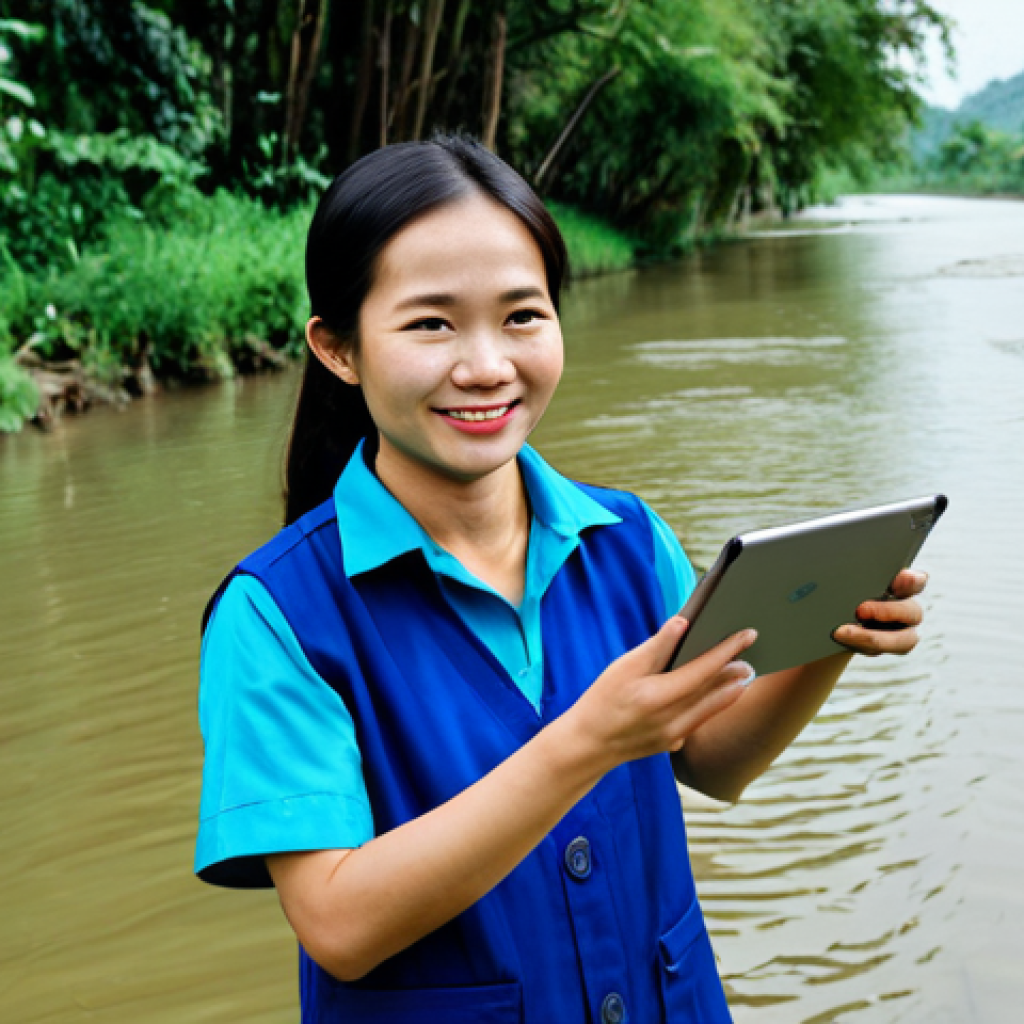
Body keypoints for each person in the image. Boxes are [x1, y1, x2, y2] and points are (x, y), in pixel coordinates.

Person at [194, 133, 928, 1023]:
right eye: (431, 323)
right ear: (338, 348)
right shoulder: (277, 616)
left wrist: (832, 637)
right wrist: (588, 740)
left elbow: (714, 760)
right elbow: (340, 923)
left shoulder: (626, 538)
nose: (486, 366)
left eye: (522, 316)